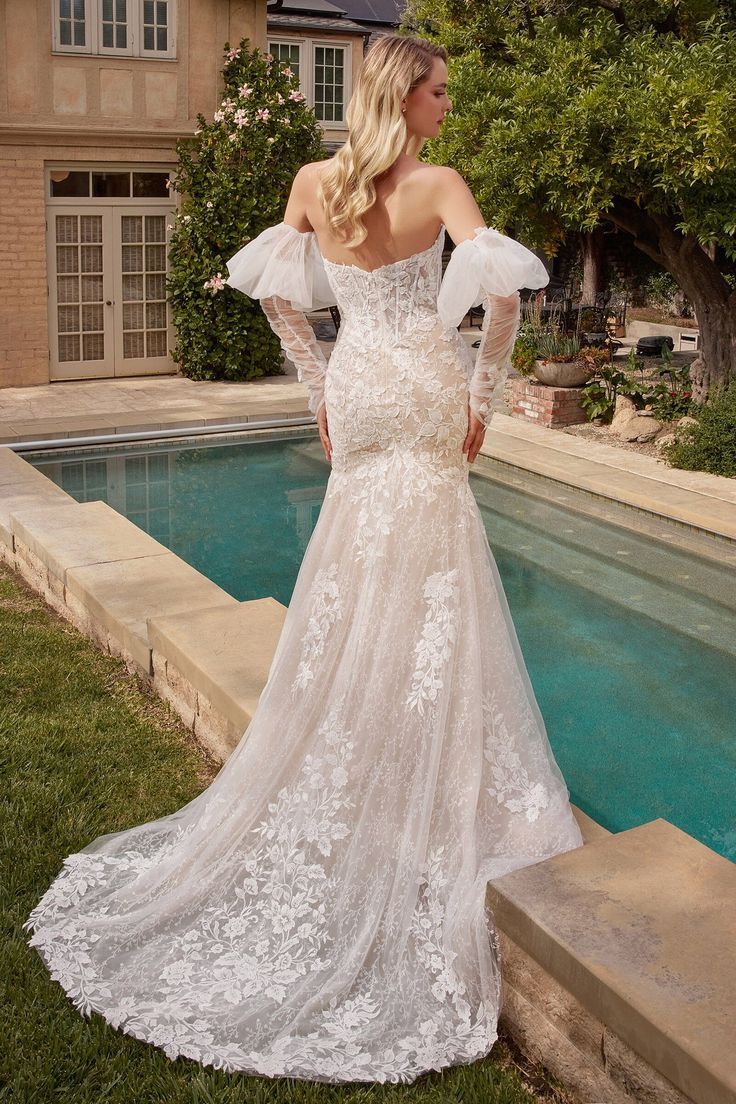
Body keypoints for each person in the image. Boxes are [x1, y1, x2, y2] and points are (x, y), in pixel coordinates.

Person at [23, 33, 584, 1085]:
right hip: (418, 380)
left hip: (361, 389)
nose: (447, 106)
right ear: (401, 92)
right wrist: (481, 401)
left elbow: (282, 290)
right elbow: (503, 295)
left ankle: (362, 752)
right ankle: (421, 771)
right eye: (438, 89)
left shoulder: (313, 182)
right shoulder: (441, 186)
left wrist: (316, 388)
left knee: (355, 569)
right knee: (433, 581)